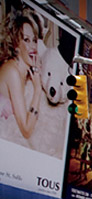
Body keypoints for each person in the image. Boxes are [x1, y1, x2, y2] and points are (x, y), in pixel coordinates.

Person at [0, 6, 42, 141]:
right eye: (27, 40)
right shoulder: (12, 72)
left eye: (34, 40)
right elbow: (26, 130)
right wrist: (38, 90)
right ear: (16, 43)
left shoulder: (27, 74)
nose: (33, 47)